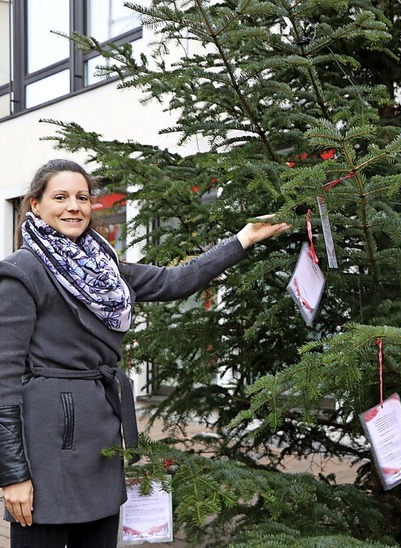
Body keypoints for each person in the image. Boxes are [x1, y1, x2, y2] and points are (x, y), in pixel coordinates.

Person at [0, 158, 290, 548]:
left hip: (102, 436)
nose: (74, 206)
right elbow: (3, 381)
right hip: (48, 446)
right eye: (61, 197)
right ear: (35, 205)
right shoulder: (21, 272)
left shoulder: (105, 270)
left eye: (82, 197)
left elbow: (174, 281)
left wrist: (242, 240)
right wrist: (13, 475)